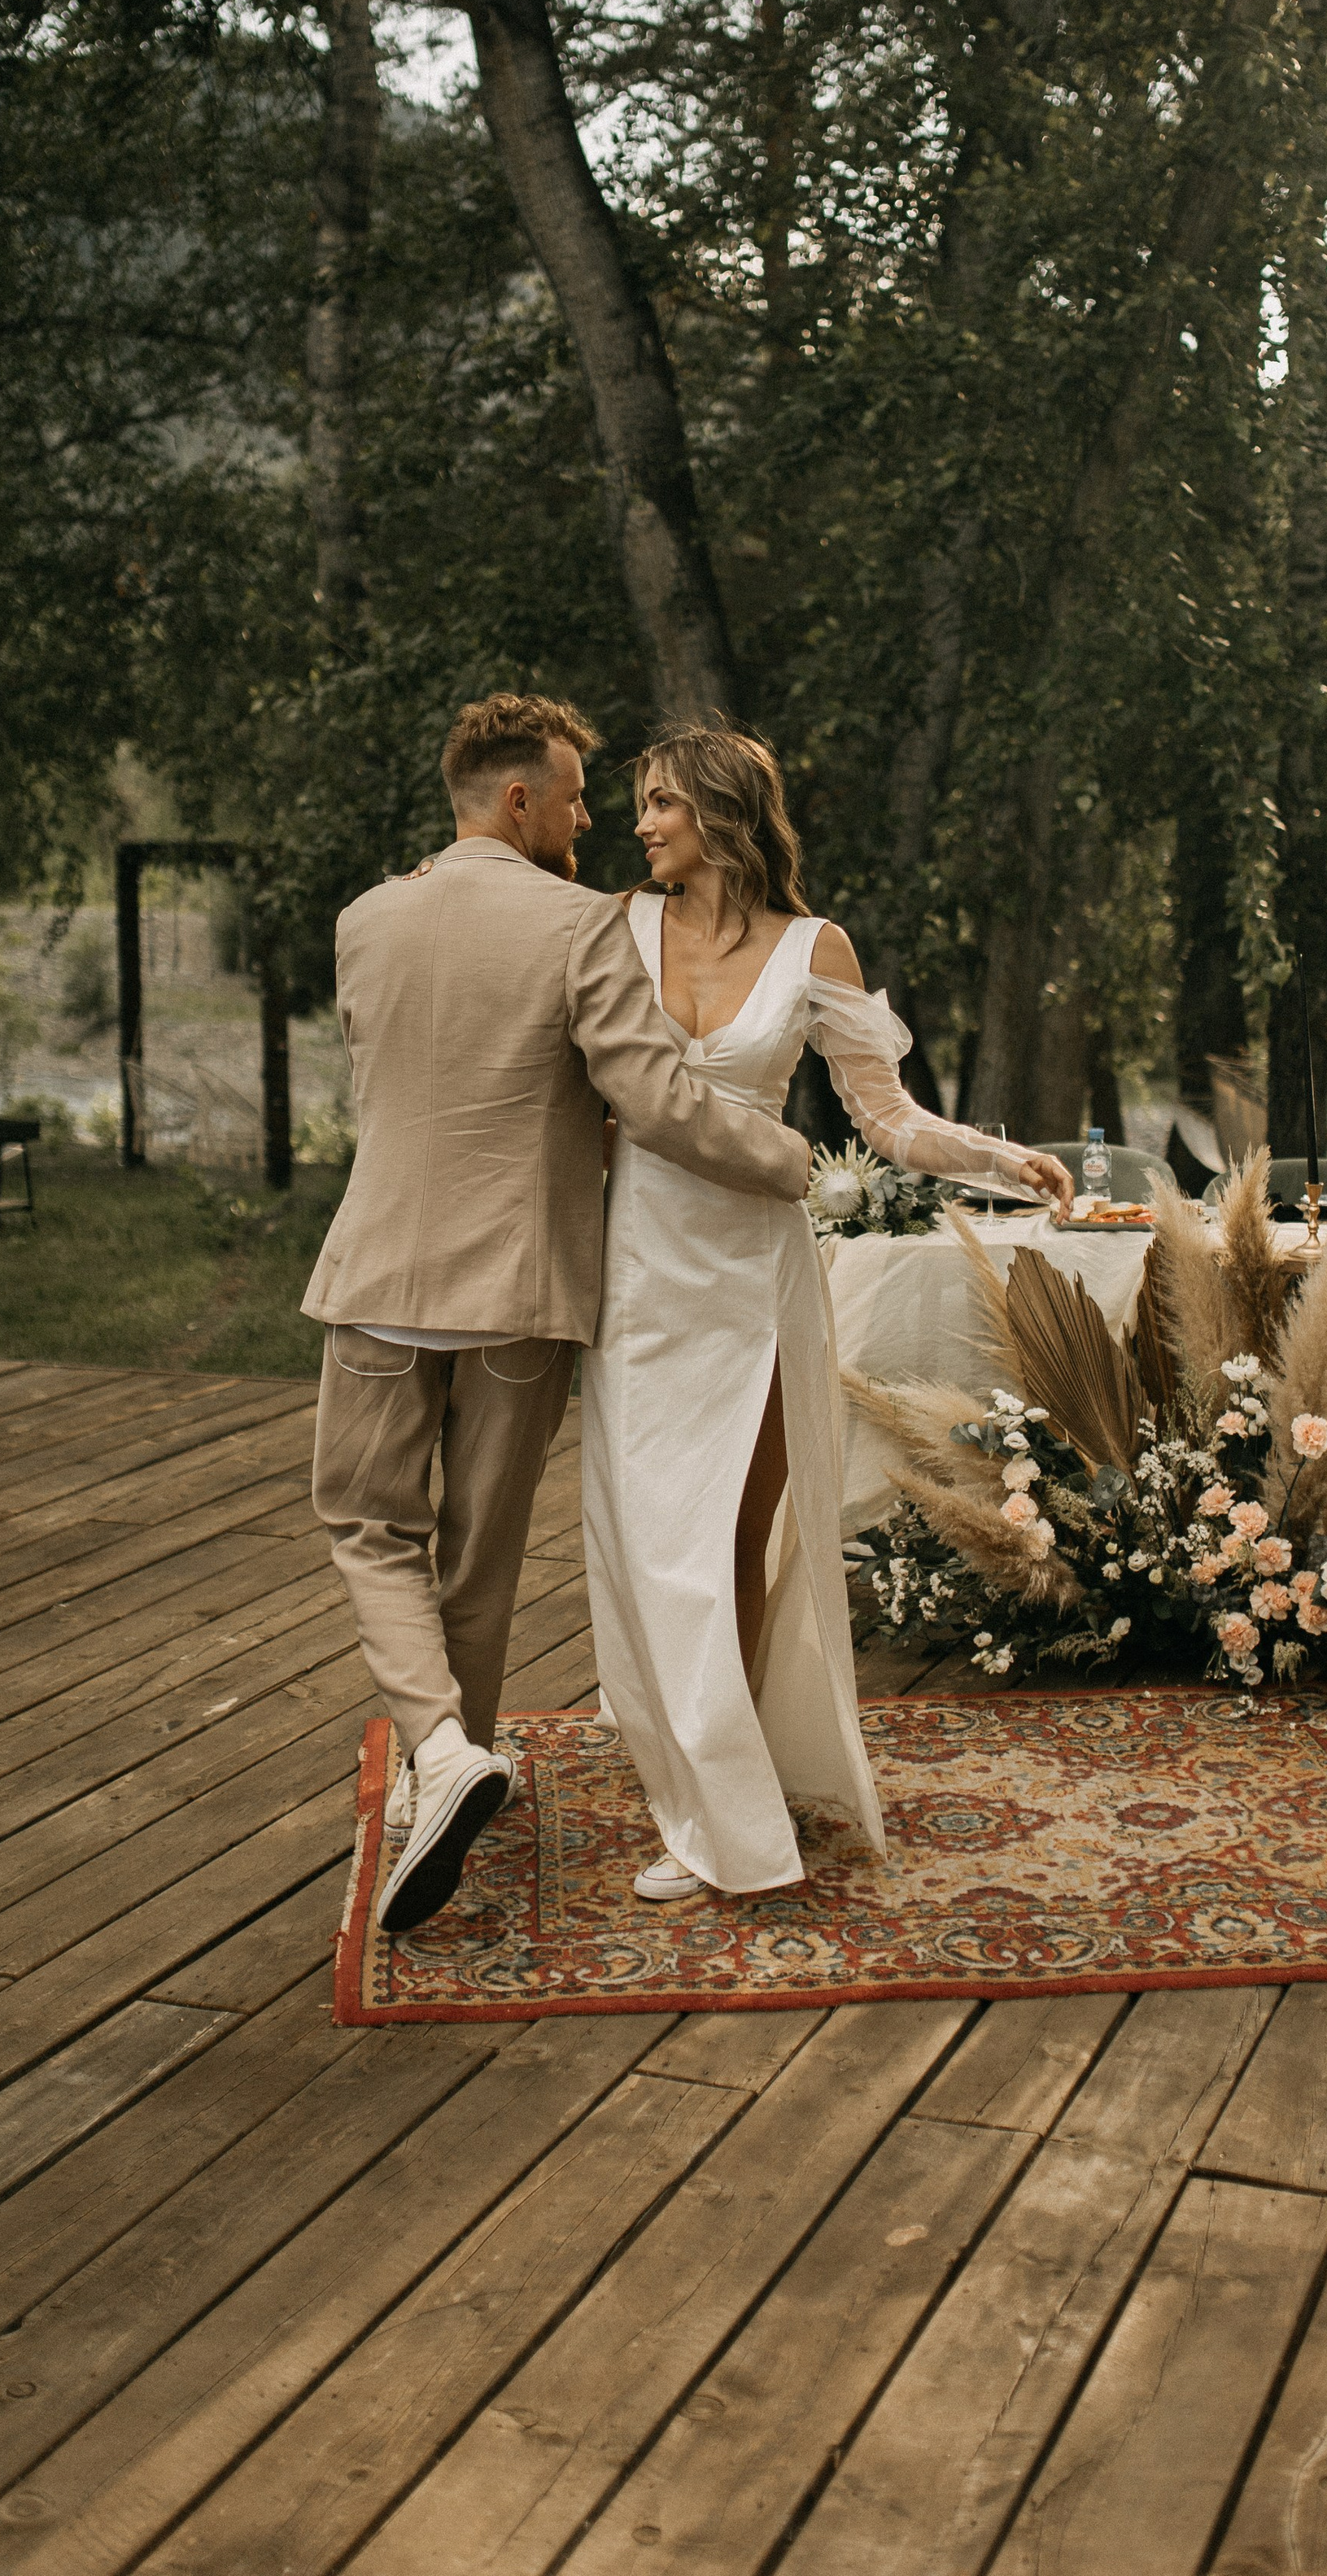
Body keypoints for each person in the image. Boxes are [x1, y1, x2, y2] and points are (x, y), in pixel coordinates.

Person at [303, 693, 811, 1934]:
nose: (592, 821)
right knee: (479, 1555)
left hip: (379, 1279)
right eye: (578, 798)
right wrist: (794, 1163)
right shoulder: (584, 928)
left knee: (369, 1525)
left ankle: (441, 1754)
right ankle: (451, 1757)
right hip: (522, 1295)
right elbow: (655, 1098)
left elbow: (385, 1081)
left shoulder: (365, 919)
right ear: (519, 799)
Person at [583, 724, 1075, 1905]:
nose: (641, 824)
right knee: (653, 1540)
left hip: (756, 1276)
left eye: (660, 802)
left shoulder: (817, 948)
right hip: (637, 1268)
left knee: (729, 1538)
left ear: (720, 812)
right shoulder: (617, 927)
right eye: (640, 803)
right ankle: (698, 1773)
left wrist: (1003, 1159)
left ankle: (725, 1796)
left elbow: (886, 1118)